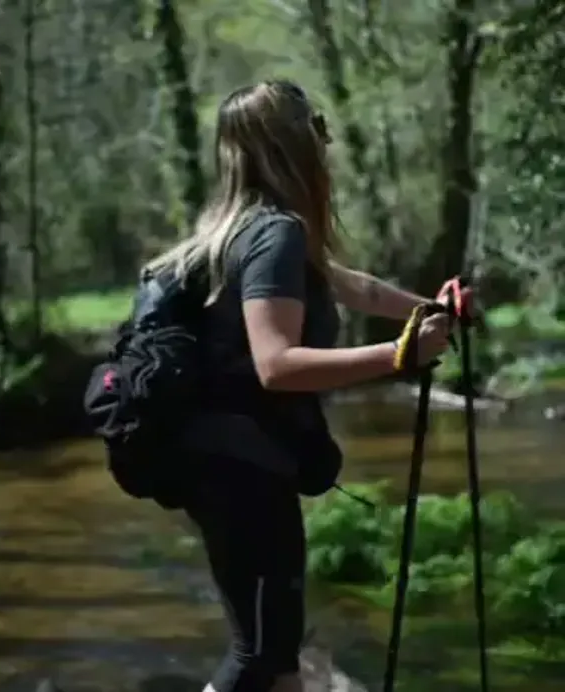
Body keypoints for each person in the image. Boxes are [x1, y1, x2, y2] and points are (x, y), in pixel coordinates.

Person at [142, 80, 455, 692]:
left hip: (220, 460)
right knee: (259, 653)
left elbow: (354, 286)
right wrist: (401, 357)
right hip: (242, 468)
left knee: (277, 655)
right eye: (317, 128)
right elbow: (276, 365)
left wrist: (433, 306)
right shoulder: (275, 235)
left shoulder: (236, 232)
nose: (327, 142)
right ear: (293, 144)